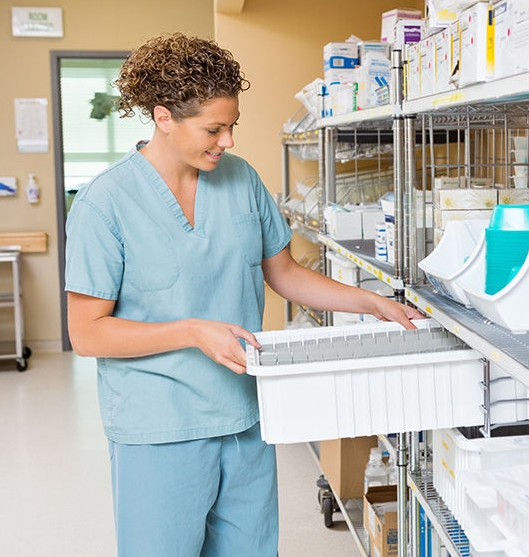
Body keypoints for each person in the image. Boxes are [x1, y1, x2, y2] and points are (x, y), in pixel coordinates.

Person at [64, 33, 424, 556]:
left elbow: (284, 273)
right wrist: (191, 331)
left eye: (232, 126)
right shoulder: (106, 202)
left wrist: (371, 302)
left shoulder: (242, 181)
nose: (227, 140)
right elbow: (87, 333)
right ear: (164, 117)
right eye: (214, 128)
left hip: (244, 415)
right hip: (159, 426)